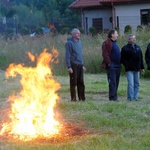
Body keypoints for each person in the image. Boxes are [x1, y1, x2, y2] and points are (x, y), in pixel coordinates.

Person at [121, 34, 145, 101]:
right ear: (129, 40)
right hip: (129, 69)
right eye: (132, 38)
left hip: (137, 69)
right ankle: (130, 97)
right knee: (131, 84)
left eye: (134, 38)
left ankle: (135, 97)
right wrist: (127, 65)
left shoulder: (138, 48)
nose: (134, 39)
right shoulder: (125, 48)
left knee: (137, 83)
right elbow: (122, 59)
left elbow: (141, 58)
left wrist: (142, 68)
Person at [65, 28, 86, 102]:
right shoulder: (69, 43)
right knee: (73, 83)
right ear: (73, 34)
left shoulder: (80, 42)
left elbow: (80, 54)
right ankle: (73, 99)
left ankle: (82, 98)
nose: (79, 34)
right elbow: (67, 55)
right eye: (77, 33)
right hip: (73, 65)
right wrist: (69, 66)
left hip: (80, 65)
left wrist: (82, 65)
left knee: (81, 82)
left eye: (79, 33)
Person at [101, 29, 121, 101]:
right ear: (112, 35)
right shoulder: (107, 43)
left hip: (118, 65)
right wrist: (109, 63)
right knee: (112, 82)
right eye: (116, 33)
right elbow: (105, 54)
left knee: (116, 81)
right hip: (112, 65)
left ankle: (114, 96)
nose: (117, 35)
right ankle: (112, 97)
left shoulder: (115, 43)